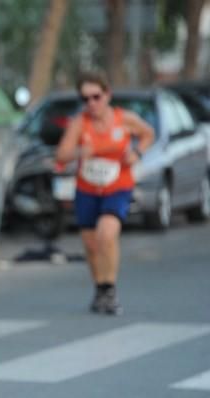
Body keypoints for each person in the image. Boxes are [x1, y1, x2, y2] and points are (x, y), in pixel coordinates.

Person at [56, 71, 154, 315]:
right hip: (87, 189)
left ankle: (110, 288)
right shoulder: (80, 123)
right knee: (90, 245)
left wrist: (137, 154)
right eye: (85, 98)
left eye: (96, 96)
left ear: (107, 94)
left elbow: (148, 134)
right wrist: (80, 152)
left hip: (117, 186)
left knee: (106, 234)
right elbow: (61, 155)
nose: (91, 103)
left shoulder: (125, 119)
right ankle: (100, 289)